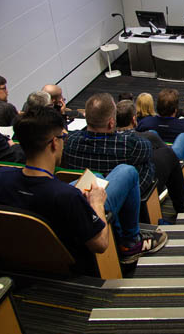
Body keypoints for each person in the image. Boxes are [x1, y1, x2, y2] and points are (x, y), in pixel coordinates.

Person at [0, 106, 112, 274]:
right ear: (54, 142)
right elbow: (101, 245)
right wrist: (97, 203)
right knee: (123, 173)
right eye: (62, 138)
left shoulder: (1, 177)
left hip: (18, 264)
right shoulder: (67, 197)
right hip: (68, 271)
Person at [62, 94, 167, 259]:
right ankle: (131, 241)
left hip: (86, 196)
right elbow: (147, 150)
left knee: (97, 174)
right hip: (98, 203)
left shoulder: (70, 141)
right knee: (136, 168)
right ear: (112, 122)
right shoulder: (131, 143)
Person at [115, 100, 184, 218]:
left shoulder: (104, 143)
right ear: (134, 120)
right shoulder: (144, 140)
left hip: (115, 192)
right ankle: (182, 206)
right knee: (170, 153)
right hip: (142, 189)